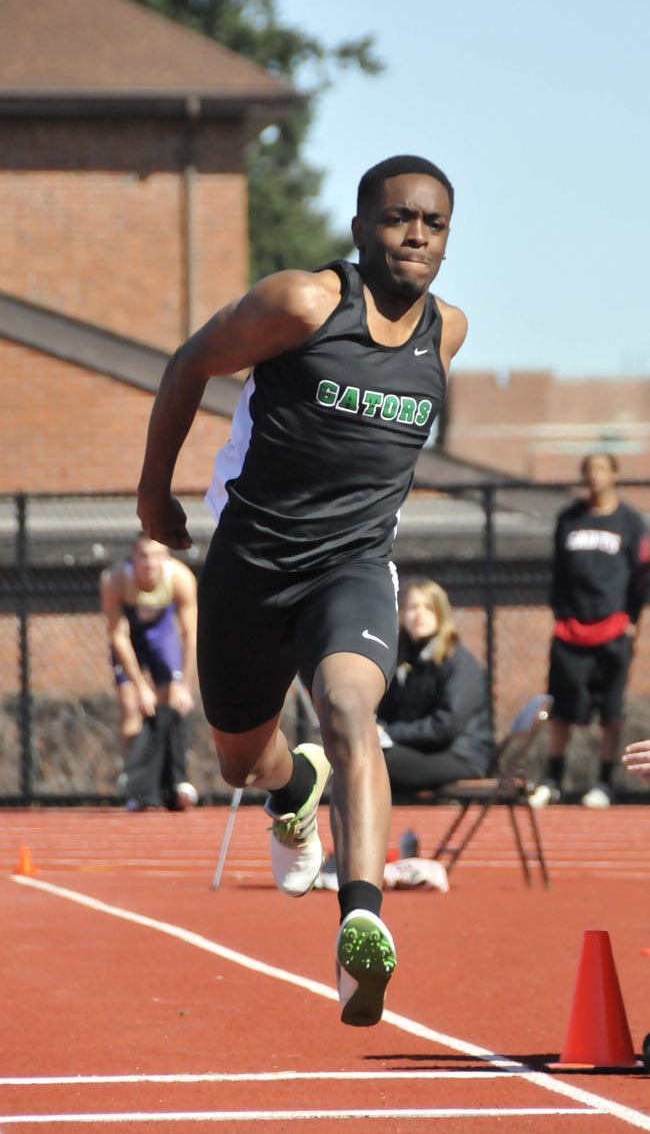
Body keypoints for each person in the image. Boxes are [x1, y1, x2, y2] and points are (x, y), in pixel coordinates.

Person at [136, 154, 467, 1026]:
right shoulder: (304, 304)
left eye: (434, 223)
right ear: (361, 228)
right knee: (239, 761)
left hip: (353, 568)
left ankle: (359, 918)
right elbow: (188, 362)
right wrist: (151, 492)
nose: (417, 235)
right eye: (399, 218)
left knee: (351, 711)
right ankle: (293, 793)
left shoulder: (448, 333)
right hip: (251, 562)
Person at [530, 453, 647, 810]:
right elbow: (558, 573)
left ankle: (604, 782)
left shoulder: (630, 522)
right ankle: (553, 779)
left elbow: (640, 576)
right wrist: (560, 613)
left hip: (612, 629)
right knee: (561, 709)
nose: (595, 476)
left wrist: (630, 620)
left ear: (615, 474)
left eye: (601, 469)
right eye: (589, 470)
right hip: (570, 630)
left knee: (610, 711)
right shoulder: (569, 519)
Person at [100, 533, 199, 810]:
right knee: (131, 704)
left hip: (161, 634)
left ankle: (174, 780)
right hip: (131, 638)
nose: (149, 563)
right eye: (143, 556)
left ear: (166, 557)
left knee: (170, 705)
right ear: (134, 557)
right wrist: (141, 686)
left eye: (156, 556)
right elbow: (118, 636)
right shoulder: (115, 581)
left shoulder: (180, 579)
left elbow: (190, 634)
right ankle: (136, 785)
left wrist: (186, 685)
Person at [377, 579, 492, 793]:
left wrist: (389, 732)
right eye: (412, 607)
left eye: (428, 607)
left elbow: (445, 726)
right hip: (422, 750)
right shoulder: (405, 660)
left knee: (376, 761)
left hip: (461, 755)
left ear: (441, 613)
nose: (420, 614)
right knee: (361, 752)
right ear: (401, 615)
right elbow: (389, 711)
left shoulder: (458, 662)